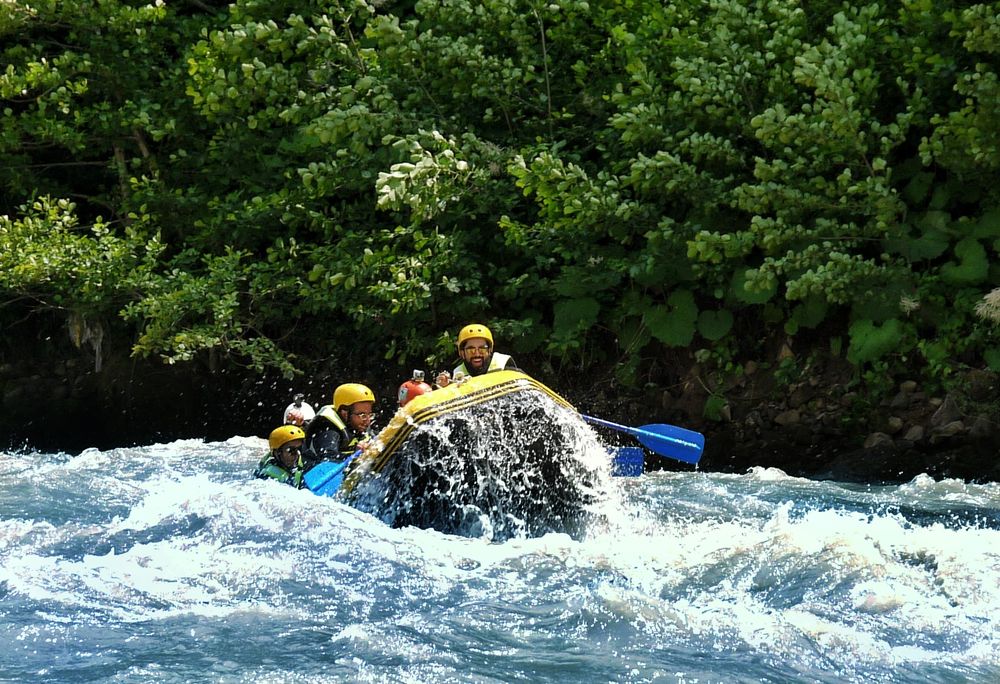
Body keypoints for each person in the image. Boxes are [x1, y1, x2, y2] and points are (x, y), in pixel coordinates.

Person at [303, 383, 376, 465]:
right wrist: (355, 454)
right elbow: (327, 458)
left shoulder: (360, 425)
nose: (367, 420)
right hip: (314, 473)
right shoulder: (328, 429)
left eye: (369, 414)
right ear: (344, 413)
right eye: (362, 415)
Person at [436, 323, 517, 387]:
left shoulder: (504, 364)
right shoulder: (458, 375)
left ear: (489, 350)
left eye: (482, 349)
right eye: (471, 350)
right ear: (462, 353)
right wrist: (445, 387)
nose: (477, 354)